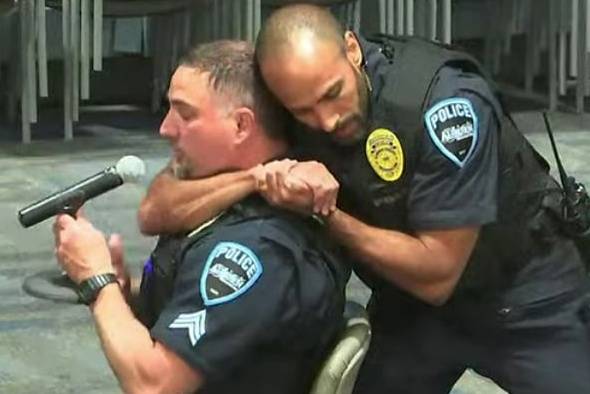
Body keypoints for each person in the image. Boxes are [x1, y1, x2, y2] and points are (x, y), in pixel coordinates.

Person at [137, 5, 590, 394]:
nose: (327, 120)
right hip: (409, 311)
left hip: (526, 298)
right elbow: (157, 209)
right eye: (304, 111)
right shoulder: (292, 94)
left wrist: (324, 214)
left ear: (352, 49)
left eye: (333, 93)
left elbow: (437, 274)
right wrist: (257, 178)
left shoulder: (444, 106)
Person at [53, 39, 350, 394]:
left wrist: (97, 281)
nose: (165, 128)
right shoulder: (229, 198)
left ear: (242, 125)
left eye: (185, 114)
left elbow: (155, 386)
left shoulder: (253, 248)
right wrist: (122, 296)